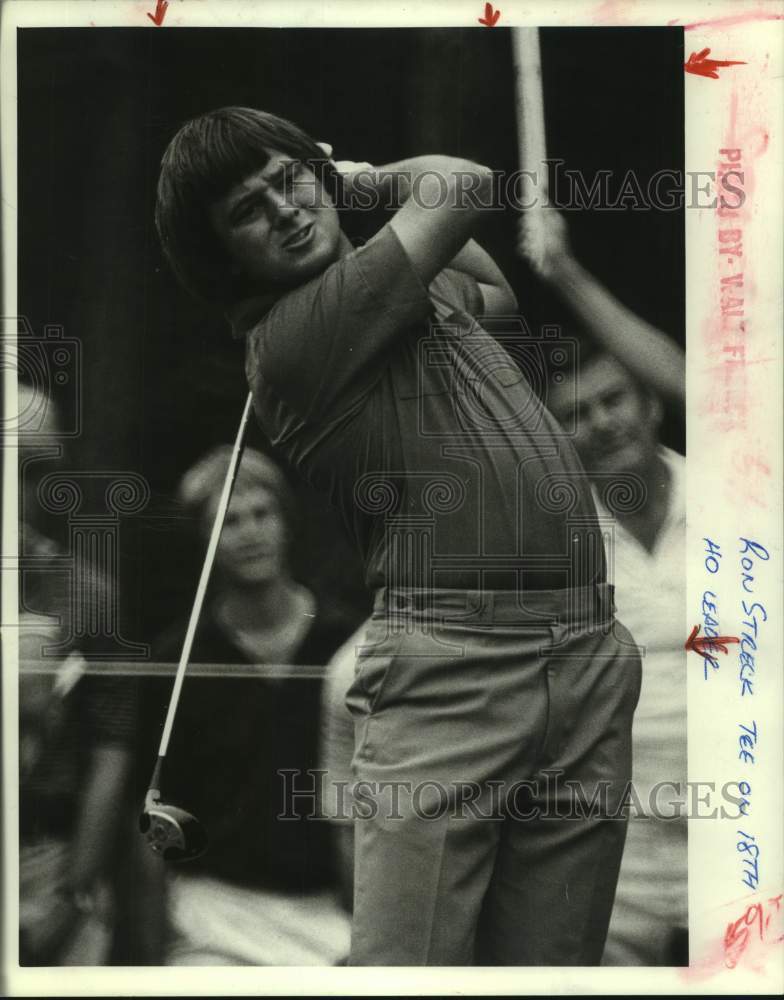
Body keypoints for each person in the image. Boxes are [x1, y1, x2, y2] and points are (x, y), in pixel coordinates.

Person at [154, 107, 642, 966]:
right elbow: (462, 184)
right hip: (455, 668)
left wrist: (339, 196)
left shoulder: (396, 288)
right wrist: (351, 179)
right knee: (405, 974)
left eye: (288, 180)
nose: (285, 210)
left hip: (586, 654)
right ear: (224, 257)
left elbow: (494, 290)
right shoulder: (297, 332)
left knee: (549, 974)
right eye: (248, 211)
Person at [518, 209, 687, 965]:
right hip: (618, 856)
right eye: (575, 416)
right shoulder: (555, 545)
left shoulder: (747, 493)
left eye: (613, 399)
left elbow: (700, 381)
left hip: (754, 835)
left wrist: (564, 273)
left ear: (652, 404)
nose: (599, 423)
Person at [135, 446, 351, 965]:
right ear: (203, 540)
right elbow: (151, 819)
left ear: (286, 521)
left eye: (262, 513)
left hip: (333, 913)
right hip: (217, 914)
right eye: (229, 521)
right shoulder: (178, 658)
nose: (250, 532)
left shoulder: (345, 641)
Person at [17, 382, 138, 966]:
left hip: (46, 858)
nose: (18, 492)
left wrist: (74, 890)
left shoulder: (89, 593)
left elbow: (111, 748)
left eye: (35, 472)